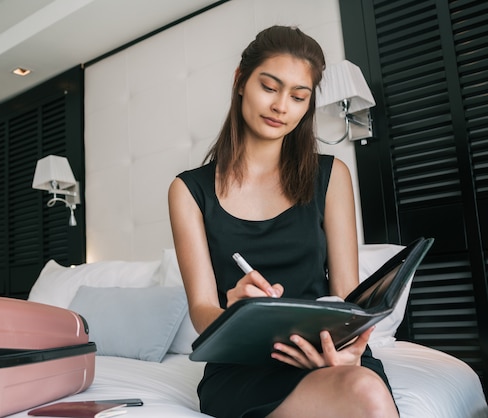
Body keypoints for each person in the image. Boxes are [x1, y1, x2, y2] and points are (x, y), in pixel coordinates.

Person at [168, 25, 399, 418]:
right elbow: (202, 310)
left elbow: (347, 297)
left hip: (328, 350)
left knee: (364, 389)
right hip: (243, 366)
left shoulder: (332, 176)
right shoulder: (189, 191)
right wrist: (232, 310)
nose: (281, 106)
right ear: (241, 80)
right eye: (269, 87)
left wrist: (350, 348)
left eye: (298, 96)